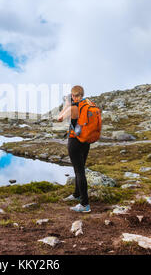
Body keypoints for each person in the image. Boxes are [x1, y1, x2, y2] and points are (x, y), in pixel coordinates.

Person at [57, 85, 91, 213]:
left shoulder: (73, 107)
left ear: (73, 95)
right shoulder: (87, 104)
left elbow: (59, 118)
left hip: (75, 141)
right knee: (80, 169)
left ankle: (85, 204)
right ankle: (77, 194)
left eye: (72, 95)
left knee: (79, 172)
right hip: (86, 141)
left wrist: (66, 104)